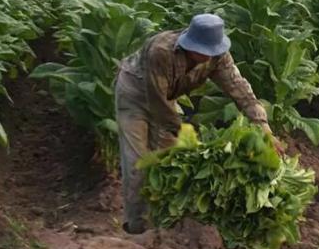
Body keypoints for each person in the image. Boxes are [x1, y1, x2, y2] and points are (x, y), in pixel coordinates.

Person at [115, 13, 284, 234]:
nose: (207, 57)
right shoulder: (161, 51)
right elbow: (158, 102)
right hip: (135, 95)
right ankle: (136, 226)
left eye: (212, 52)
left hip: (166, 98)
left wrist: (264, 129)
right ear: (188, 44)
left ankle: (164, 222)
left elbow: (240, 89)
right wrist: (186, 134)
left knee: (170, 160)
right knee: (139, 161)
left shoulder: (218, 56)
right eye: (203, 51)